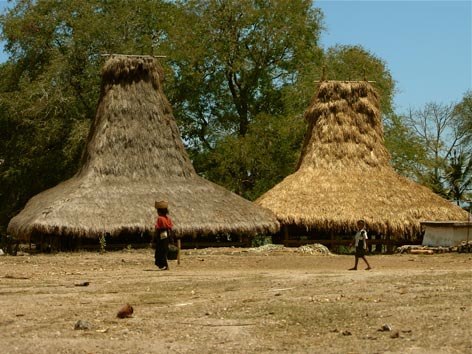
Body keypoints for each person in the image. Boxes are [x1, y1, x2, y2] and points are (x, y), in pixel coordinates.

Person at [154, 200, 173, 270]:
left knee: (160, 250)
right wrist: (171, 238)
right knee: (164, 250)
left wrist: (155, 236)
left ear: (159, 211)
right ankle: (165, 265)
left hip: (162, 235)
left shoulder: (160, 218)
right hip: (168, 235)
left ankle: (164, 265)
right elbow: (170, 228)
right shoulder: (168, 218)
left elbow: (158, 228)